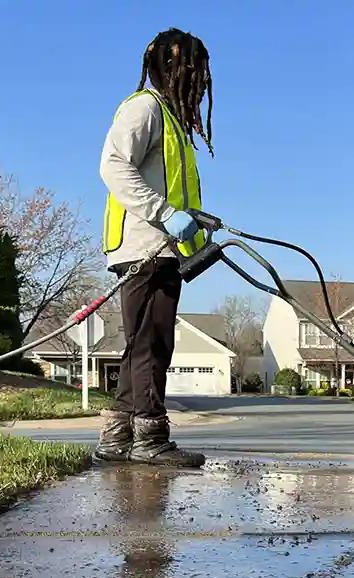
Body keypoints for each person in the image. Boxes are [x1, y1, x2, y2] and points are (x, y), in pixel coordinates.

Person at [92, 28, 214, 467]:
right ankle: (150, 437)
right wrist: (164, 214)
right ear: (171, 67)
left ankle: (117, 436)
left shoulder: (172, 120)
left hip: (162, 248)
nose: (199, 80)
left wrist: (191, 223)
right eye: (193, 70)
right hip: (144, 247)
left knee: (143, 343)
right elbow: (112, 165)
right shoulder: (145, 109)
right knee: (152, 343)